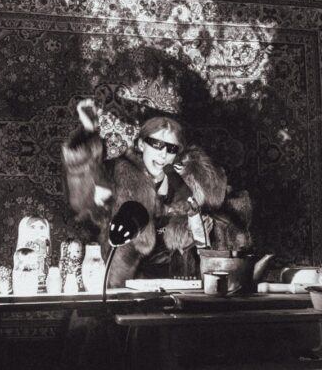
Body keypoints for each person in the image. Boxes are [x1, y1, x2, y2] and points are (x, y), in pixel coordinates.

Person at [62, 99, 230, 287]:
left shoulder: (188, 185)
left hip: (181, 285)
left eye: (171, 148)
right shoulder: (117, 173)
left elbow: (212, 226)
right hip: (125, 283)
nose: (163, 154)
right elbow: (82, 200)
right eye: (156, 144)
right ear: (141, 145)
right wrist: (87, 132)